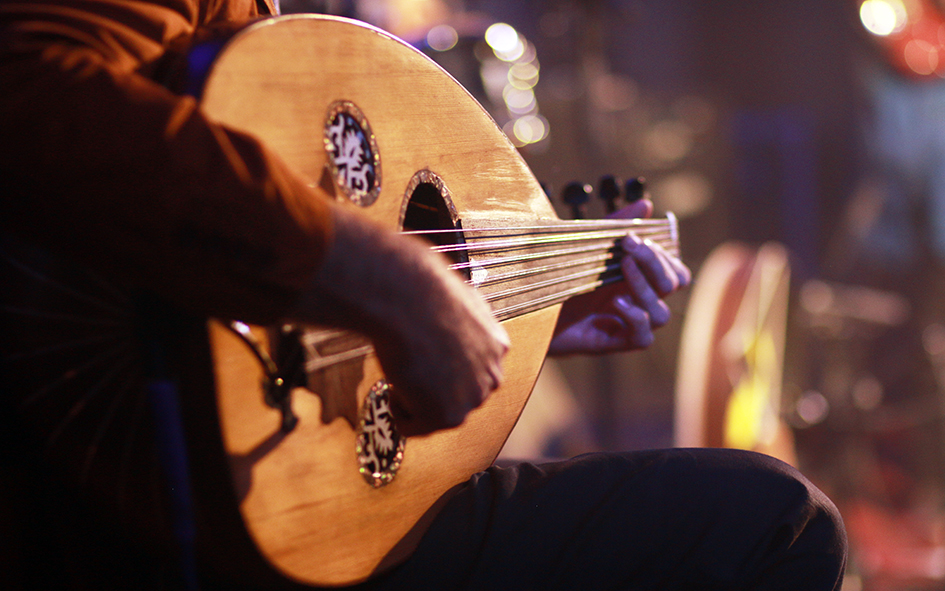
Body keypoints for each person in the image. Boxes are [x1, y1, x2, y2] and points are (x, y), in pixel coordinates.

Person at [0, 1, 847, 589]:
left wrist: (525, 318)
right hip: (140, 514)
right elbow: (27, 91)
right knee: (775, 525)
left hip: (277, 502)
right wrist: (383, 279)